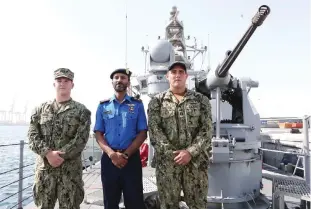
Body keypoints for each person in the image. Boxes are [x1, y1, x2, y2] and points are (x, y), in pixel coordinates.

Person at [148, 61, 212, 209]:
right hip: (167, 165)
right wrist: (174, 155)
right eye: (173, 72)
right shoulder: (156, 102)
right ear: (167, 76)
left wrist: (190, 152)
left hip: (195, 163)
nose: (177, 75)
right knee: (169, 205)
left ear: (186, 76)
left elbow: (207, 130)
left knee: (198, 205)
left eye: (181, 72)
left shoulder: (201, 100)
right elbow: (154, 131)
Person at [28, 68, 92, 209]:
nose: (62, 83)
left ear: (72, 85)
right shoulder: (40, 110)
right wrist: (48, 154)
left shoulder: (82, 111)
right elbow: (32, 136)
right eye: (59, 80)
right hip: (45, 171)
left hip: (69, 172)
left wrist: (61, 155)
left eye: (66, 80)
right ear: (54, 84)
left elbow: (81, 139)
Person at [94, 68, 148, 209]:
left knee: (135, 202)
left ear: (128, 82)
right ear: (112, 82)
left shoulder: (137, 105)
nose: (119, 80)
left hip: (131, 159)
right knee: (110, 202)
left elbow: (142, 133)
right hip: (109, 160)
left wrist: (125, 155)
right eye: (116, 77)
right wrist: (112, 154)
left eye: (123, 77)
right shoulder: (103, 106)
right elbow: (98, 133)